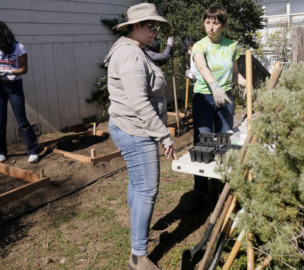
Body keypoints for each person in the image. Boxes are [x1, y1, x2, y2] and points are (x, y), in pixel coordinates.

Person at [103, 3, 177, 270]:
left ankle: (137, 236)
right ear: (135, 27)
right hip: (136, 129)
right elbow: (138, 102)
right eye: (150, 26)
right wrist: (163, 136)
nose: (155, 31)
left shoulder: (133, 49)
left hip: (130, 127)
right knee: (147, 189)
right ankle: (138, 256)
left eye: (156, 26)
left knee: (138, 185)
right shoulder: (131, 55)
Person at [189, 6, 247, 212]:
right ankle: (200, 190)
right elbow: (201, 67)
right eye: (207, 22)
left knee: (224, 141)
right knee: (203, 143)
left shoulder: (231, 46)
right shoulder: (199, 45)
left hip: (226, 98)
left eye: (215, 22)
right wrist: (214, 86)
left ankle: (219, 185)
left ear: (222, 24)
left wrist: (246, 84)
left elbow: (234, 73)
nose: (210, 27)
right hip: (204, 98)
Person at [0, 20, 39, 163]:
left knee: (21, 119)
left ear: (1, 35)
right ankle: (0, 151)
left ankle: (32, 150)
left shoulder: (18, 48)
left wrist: (8, 72)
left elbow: (24, 69)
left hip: (14, 86)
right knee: (0, 120)